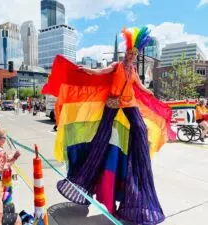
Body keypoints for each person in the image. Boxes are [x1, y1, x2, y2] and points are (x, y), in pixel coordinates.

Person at [43, 27, 172, 225]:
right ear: (126, 53)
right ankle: (83, 178)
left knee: (140, 129)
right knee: (101, 137)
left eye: (135, 55)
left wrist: (151, 93)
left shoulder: (134, 70)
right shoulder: (117, 65)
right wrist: (87, 70)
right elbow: (100, 72)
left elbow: (139, 86)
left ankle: (139, 157)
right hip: (112, 102)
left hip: (129, 103)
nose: (132, 57)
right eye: (130, 53)